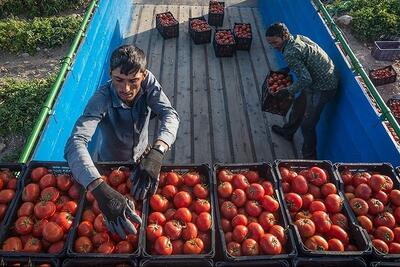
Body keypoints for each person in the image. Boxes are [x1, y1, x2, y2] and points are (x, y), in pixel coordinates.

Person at [64, 44, 180, 238]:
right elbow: (75, 142)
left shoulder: (149, 84)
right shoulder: (101, 99)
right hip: (111, 166)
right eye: (118, 80)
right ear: (110, 74)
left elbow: (170, 114)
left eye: (133, 81)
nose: (126, 89)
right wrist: (99, 188)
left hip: (144, 158)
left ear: (144, 75)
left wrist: (158, 151)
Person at [265, 22, 338, 159]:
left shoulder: (290, 53)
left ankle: (310, 159)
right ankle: (288, 132)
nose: (273, 46)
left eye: (275, 42)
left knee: (307, 125)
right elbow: (304, 59)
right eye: (270, 43)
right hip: (323, 77)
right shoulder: (298, 38)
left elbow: (306, 80)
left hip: (322, 88)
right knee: (298, 106)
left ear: (284, 36)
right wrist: (289, 68)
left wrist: (288, 91)